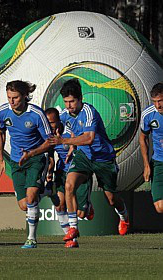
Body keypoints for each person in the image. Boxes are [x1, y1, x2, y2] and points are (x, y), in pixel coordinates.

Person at [48, 79, 129, 246]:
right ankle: (73, 231)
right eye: (66, 101)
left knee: (112, 199)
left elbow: (89, 138)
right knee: (69, 185)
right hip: (84, 157)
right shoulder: (64, 115)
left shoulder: (88, 111)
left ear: (80, 99)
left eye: (72, 101)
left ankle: (123, 216)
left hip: (103, 158)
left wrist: (65, 141)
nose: (69, 105)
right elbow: (59, 127)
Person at [0, 80, 52, 249]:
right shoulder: (3, 112)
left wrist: (32, 153)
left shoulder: (36, 114)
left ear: (24, 97)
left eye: (15, 98)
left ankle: (31, 239)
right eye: (9, 97)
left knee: (30, 198)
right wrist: (0, 158)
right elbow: (1, 133)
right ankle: (49, 191)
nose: (11, 101)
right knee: (23, 205)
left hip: (35, 159)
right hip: (16, 161)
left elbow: (50, 141)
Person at [45, 108, 94, 248]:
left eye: (52, 123)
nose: (50, 126)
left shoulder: (69, 130)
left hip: (79, 172)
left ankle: (88, 206)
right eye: (48, 123)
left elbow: (84, 144)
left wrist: (73, 145)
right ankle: (71, 239)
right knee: (59, 205)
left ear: (59, 120)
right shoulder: (48, 135)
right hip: (62, 172)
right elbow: (50, 156)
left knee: (81, 213)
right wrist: (49, 172)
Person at [140, 82, 163, 215]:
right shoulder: (148, 114)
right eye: (154, 101)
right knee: (159, 207)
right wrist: (146, 165)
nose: (157, 105)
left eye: (160, 101)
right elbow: (143, 137)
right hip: (159, 162)